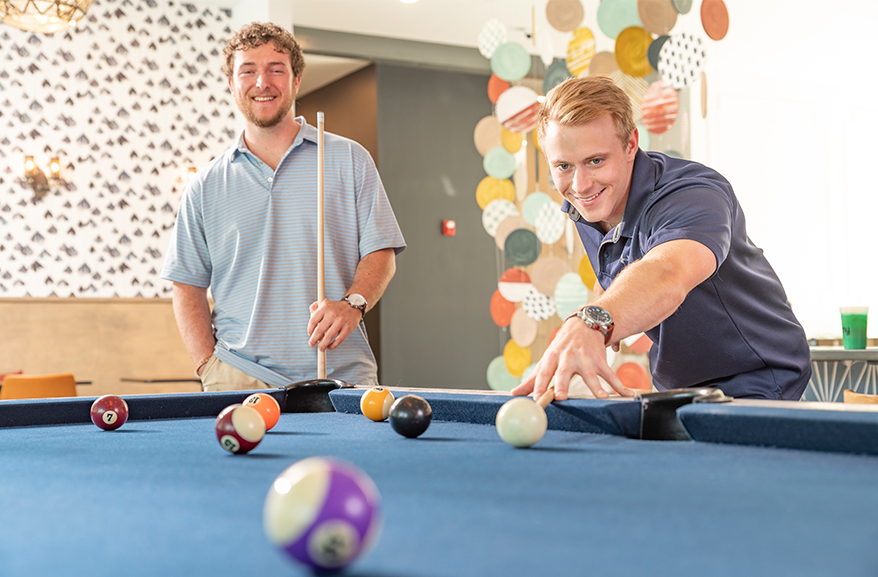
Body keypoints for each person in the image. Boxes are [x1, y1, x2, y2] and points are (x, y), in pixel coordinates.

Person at [512, 76, 810, 401]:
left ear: (630, 145)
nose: (580, 185)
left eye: (595, 161)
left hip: (757, 375)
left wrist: (589, 322)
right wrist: (595, 320)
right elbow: (618, 266)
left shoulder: (695, 194)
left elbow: (666, 272)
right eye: (564, 166)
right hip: (678, 384)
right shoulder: (589, 204)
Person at [161, 22, 405, 391]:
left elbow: (381, 253)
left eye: (276, 70)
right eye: (248, 71)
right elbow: (186, 285)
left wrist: (352, 303)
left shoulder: (348, 159)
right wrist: (207, 366)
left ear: (296, 81)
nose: (263, 82)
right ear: (232, 83)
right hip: (238, 376)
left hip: (338, 374)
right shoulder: (205, 184)